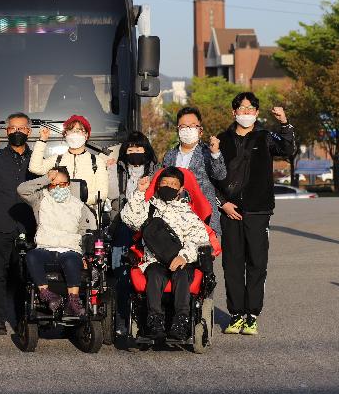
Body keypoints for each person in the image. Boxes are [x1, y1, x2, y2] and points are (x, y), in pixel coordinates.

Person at [215, 92, 294, 336]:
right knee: (232, 264)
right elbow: (212, 175)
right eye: (242, 108)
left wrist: (284, 123)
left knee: (257, 263)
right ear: (233, 112)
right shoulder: (221, 139)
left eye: (251, 109)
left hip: (258, 210)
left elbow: (288, 149)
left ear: (257, 113)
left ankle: (252, 315)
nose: (246, 113)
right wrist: (222, 203)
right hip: (229, 210)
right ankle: (236, 314)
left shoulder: (265, 136)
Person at [120, 166, 210, 340]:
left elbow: (200, 240)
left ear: (181, 189)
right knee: (154, 274)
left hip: (181, 260)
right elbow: (130, 220)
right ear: (158, 185)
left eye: (173, 184)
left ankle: (181, 321)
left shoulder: (188, 213)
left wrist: (183, 255)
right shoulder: (149, 208)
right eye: (165, 182)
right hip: (154, 259)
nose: (168, 186)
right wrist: (139, 192)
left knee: (181, 275)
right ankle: (155, 320)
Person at [0, 112, 37, 334]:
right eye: (13, 128)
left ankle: (23, 319)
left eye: (22, 128)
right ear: (7, 131)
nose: (17, 132)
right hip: (1, 222)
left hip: (28, 224)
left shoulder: (37, 158)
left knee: (24, 275)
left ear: (29, 131)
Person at [17, 166, 96, 317]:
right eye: (54, 183)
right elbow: (22, 190)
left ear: (68, 185)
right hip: (45, 247)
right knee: (31, 256)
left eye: (62, 184)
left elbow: (85, 232)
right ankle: (47, 295)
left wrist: (86, 255)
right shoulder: (40, 199)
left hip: (69, 248)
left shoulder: (79, 205)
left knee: (72, 260)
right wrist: (46, 178)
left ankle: (73, 301)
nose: (58, 188)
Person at [105, 131, 160, 335]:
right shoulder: (119, 170)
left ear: (146, 150)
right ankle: (121, 322)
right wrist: (110, 171)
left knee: (146, 272)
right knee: (121, 273)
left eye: (139, 148)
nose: (134, 152)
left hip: (148, 227)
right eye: (130, 149)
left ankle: (147, 318)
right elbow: (112, 197)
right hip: (122, 223)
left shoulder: (155, 172)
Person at [163, 107, 227, 235]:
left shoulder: (208, 153)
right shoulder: (170, 155)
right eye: (183, 127)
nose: (188, 130)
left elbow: (220, 175)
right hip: (174, 219)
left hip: (203, 217)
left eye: (192, 126)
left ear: (200, 131)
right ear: (178, 130)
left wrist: (215, 153)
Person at [28, 114, 108, 206]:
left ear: (86, 135)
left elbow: (102, 193)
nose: (74, 134)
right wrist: (42, 140)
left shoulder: (97, 161)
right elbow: (34, 168)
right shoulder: (57, 159)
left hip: (86, 215)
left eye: (79, 131)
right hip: (60, 214)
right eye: (71, 130)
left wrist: (78, 200)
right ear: (65, 134)